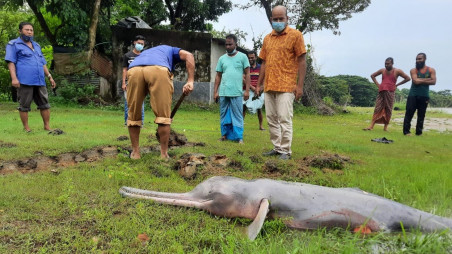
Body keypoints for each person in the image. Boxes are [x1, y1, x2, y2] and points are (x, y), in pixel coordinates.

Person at [255, 5, 307, 160]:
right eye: (275, 19)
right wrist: (259, 84)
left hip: (286, 85)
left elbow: (302, 60)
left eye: (281, 19)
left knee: (284, 118)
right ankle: (277, 148)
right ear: (271, 19)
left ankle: (286, 151)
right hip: (269, 85)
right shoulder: (267, 38)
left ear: (287, 19)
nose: (278, 21)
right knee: (271, 118)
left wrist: (299, 86)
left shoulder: (295, 35)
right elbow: (263, 63)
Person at [126, 44, 195, 159]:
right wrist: (190, 81)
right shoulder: (172, 50)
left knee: (133, 114)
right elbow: (189, 56)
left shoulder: (147, 52)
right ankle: (164, 154)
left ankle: (135, 153)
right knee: (163, 116)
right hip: (158, 69)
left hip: (134, 69)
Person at [4, 22, 56, 132]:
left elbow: (42, 63)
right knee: (24, 105)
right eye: (27, 29)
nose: (29, 32)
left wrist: (50, 76)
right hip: (24, 80)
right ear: (20, 31)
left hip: (39, 80)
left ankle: (47, 126)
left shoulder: (36, 45)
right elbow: (11, 62)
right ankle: (27, 128)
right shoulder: (13, 44)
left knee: (45, 104)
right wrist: (14, 78)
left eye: (31, 30)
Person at [214, 34, 250, 144]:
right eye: (226, 44)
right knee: (224, 114)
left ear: (236, 44)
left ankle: (239, 137)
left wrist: (247, 90)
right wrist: (215, 91)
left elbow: (248, 73)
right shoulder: (222, 58)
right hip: (224, 92)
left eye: (230, 44)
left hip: (237, 92)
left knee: (238, 115)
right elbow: (218, 75)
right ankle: (224, 135)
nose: (228, 46)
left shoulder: (243, 57)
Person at [364, 57, 410, 131]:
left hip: (390, 92)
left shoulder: (397, 71)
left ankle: (385, 128)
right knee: (377, 108)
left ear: (392, 63)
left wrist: (397, 85)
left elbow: (408, 78)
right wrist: (378, 85)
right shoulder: (382, 70)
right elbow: (372, 75)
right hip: (381, 91)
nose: (386, 65)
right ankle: (371, 126)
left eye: (388, 64)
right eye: (385, 64)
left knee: (388, 109)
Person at [403, 53, 436, 136]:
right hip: (413, 95)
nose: (418, 61)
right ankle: (406, 131)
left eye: (420, 59)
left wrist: (420, 79)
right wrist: (428, 79)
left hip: (424, 95)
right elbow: (415, 81)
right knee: (409, 113)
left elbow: (434, 81)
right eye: (417, 59)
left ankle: (419, 132)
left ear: (424, 59)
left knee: (421, 115)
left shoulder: (431, 70)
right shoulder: (413, 70)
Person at [122, 35, 145, 126]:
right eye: (139, 43)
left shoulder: (145, 55)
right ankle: (127, 121)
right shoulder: (127, 55)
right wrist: (124, 82)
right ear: (134, 43)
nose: (140, 45)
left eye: (142, 44)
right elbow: (124, 69)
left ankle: (141, 122)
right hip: (129, 82)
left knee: (140, 103)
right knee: (128, 102)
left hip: (141, 82)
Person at [243, 50, 265, 130]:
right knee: (243, 107)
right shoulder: (245, 67)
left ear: (256, 57)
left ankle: (261, 126)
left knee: (259, 108)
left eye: (252, 57)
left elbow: (264, 79)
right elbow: (243, 79)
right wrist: (252, 88)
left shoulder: (260, 67)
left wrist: (260, 89)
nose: (250, 59)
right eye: (248, 58)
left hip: (258, 91)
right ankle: (241, 125)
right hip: (247, 90)